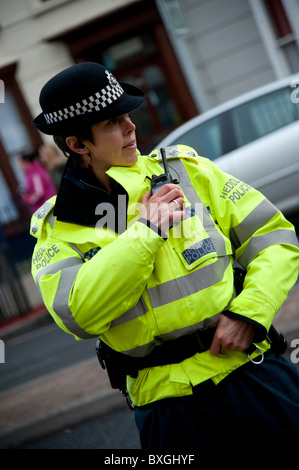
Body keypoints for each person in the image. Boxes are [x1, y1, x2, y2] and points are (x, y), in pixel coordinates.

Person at [30, 62, 299, 456]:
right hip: (168, 409)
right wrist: (146, 232)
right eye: (112, 122)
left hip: (252, 374)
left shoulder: (187, 172)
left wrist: (250, 313)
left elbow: (274, 237)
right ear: (77, 145)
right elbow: (78, 314)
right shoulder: (59, 227)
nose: (131, 128)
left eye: (128, 116)